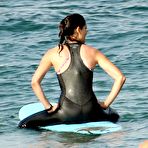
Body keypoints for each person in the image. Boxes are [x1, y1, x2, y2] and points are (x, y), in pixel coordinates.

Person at [18, 13, 126, 128]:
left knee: (24, 125)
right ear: (79, 29)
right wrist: (105, 104)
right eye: (85, 28)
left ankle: (46, 141)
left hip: (66, 114)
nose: (87, 31)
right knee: (115, 115)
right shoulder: (93, 52)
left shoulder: (53, 53)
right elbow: (120, 78)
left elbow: (35, 82)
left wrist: (48, 107)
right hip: (93, 113)